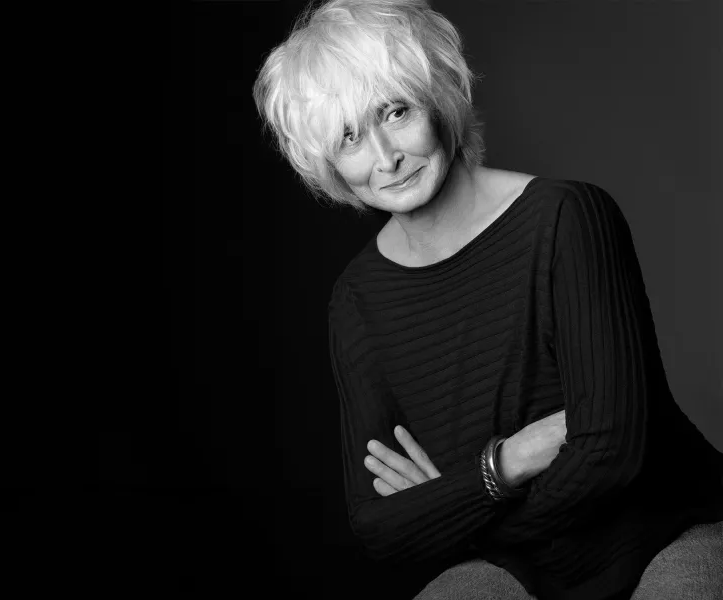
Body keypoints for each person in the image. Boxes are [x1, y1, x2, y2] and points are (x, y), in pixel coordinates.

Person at [252, 1, 723, 599]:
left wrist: (456, 508)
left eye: (395, 112)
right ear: (328, 165)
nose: (384, 157)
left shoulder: (567, 217)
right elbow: (380, 527)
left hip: (665, 529)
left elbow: (610, 454)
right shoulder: (357, 300)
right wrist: (505, 465)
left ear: (440, 99)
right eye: (349, 138)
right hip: (518, 567)